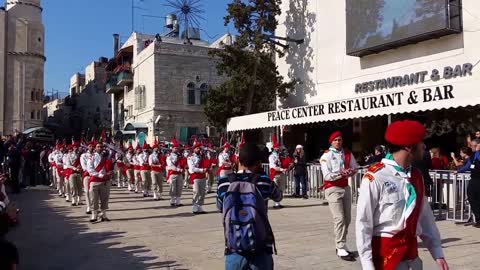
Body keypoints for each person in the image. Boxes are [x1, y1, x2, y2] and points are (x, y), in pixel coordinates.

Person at [356, 120, 449, 270]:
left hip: (412, 257)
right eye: (420, 142)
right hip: (386, 258)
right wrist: (367, 264)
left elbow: (425, 217)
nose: (424, 146)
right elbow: (363, 223)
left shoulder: (416, 176)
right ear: (408, 147)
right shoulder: (376, 177)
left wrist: (437, 252)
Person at [217, 142, 282, 270]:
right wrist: (263, 175)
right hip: (261, 246)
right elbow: (278, 196)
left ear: (237, 160)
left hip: (234, 247)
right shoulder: (264, 182)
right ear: (258, 163)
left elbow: (220, 207)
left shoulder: (223, 183)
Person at [320, 131, 358, 261]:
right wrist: (341, 173)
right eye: (335, 140)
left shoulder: (347, 153)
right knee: (339, 218)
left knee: (347, 219)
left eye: (340, 140)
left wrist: (351, 171)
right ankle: (340, 246)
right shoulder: (327, 155)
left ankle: (342, 243)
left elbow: (355, 167)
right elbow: (327, 175)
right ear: (331, 142)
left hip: (345, 187)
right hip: (332, 188)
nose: (338, 142)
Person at [87, 143, 113, 222]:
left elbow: (112, 167)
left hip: (105, 181)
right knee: (94, 199)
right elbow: (90, 169)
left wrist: (110, 172)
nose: (100, 148)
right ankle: (94, 215)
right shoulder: (92, 156)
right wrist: (100, 175)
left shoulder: (106, 156)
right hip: (95, 180)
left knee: (104, 198)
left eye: (101, 146)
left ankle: (103, 215)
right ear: (95, 148)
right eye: (98, 146)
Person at [457, 139, 480, 226]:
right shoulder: (473, 154)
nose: (472, 148)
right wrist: (459, 171)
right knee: (471, 197)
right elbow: (468, 165)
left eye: (474, 146)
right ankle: (478, 219)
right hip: (474, 179)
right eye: (471, 146)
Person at [188, 141, 209, 214]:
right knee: (196, 192)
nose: (198, 149)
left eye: (199, 148)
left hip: (202, 176)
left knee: (202, 192)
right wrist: (202, 170)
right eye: (197, 148)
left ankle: (200, 206)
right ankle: (194, 206)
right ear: (194, 149)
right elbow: (192, 168)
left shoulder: (202, 156)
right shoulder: (190, 158)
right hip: (195, 176)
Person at [268, 140, 287, 209]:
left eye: (278, 147)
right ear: (274, 148)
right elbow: (273, 166)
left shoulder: (280, 156)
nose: (278, 149)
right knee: (276, 189)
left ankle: (278, 202)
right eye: (276, 148)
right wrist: (282, 169)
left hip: (281, 174)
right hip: (275, 174)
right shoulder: (271, 156)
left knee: (281, 188)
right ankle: (276, 203)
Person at [166, 138, 184, 207]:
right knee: (173, 187)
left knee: (179, 187)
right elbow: (170, 165)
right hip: (173, 173)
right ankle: (172, 201)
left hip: (179, 174)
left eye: (177, 148)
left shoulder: (179, 155)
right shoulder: (169, 156)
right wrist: (178, 169)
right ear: (172, 148)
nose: (176, 149)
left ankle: (178, 201)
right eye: (175, 148)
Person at [80, 141, 94, 214]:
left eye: (92, 146)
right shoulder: (84, 155)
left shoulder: (96, 155)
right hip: (87, 175)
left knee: (93, 192)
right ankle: (89, 207)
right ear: (87, 147)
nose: (91, 147)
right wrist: (91, 171)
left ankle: (93, 205)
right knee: (87, 191)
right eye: (90, 146)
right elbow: (84, 166)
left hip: (95, 176)